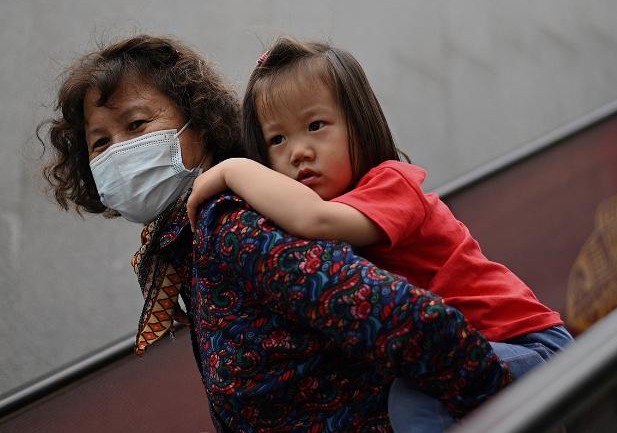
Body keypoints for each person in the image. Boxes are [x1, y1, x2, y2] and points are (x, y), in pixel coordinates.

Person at [38, 34, 513, 432]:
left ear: (200, 125)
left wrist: (514, 409)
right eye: (100, 141)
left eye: (137, 124)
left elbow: (414, 322)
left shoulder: (231, 223)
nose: (119, 149)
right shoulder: (184, 245)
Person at [186, 36, 574, 432]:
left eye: (316, 126)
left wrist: (232, 170)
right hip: (477, 351)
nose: (298, 152)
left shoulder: (393, 184)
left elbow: (314, 219)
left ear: (361, 123)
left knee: (414, 402)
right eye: (277, 139)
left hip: (532, 348)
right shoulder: (325, 209)